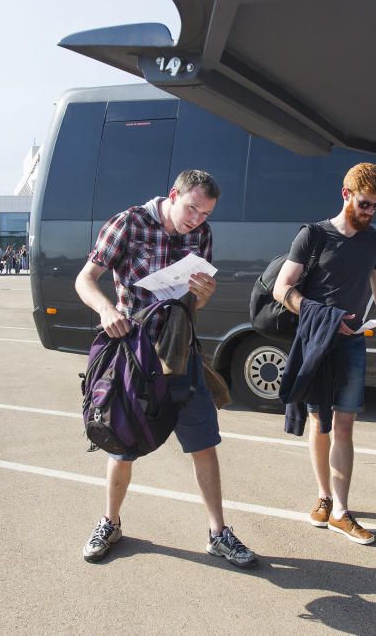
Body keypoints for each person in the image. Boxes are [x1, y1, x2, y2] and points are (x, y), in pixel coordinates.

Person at [73, 169, 257, 569]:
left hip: (180, 352)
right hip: (134, 356)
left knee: (204, 445)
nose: (196, 220)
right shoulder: (129, 223)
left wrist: (203, 295)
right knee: (121, 446)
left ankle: (218, 533)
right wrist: (106, 309)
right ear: (173, 195)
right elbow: (84, 280)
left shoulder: (201, 236)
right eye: (192, 208)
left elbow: (195, 303)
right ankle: (111, 522)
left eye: (206, 214)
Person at [272, 162, 376, 546]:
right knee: (320, 423)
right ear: (346, 194)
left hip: (352, 341)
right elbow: (281, 288)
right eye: (365, 203)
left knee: (345, 425)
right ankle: (324, 496)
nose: (369, 212)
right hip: (318, 340)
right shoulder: (313, 235)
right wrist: (325, 317)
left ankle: (340, 511)